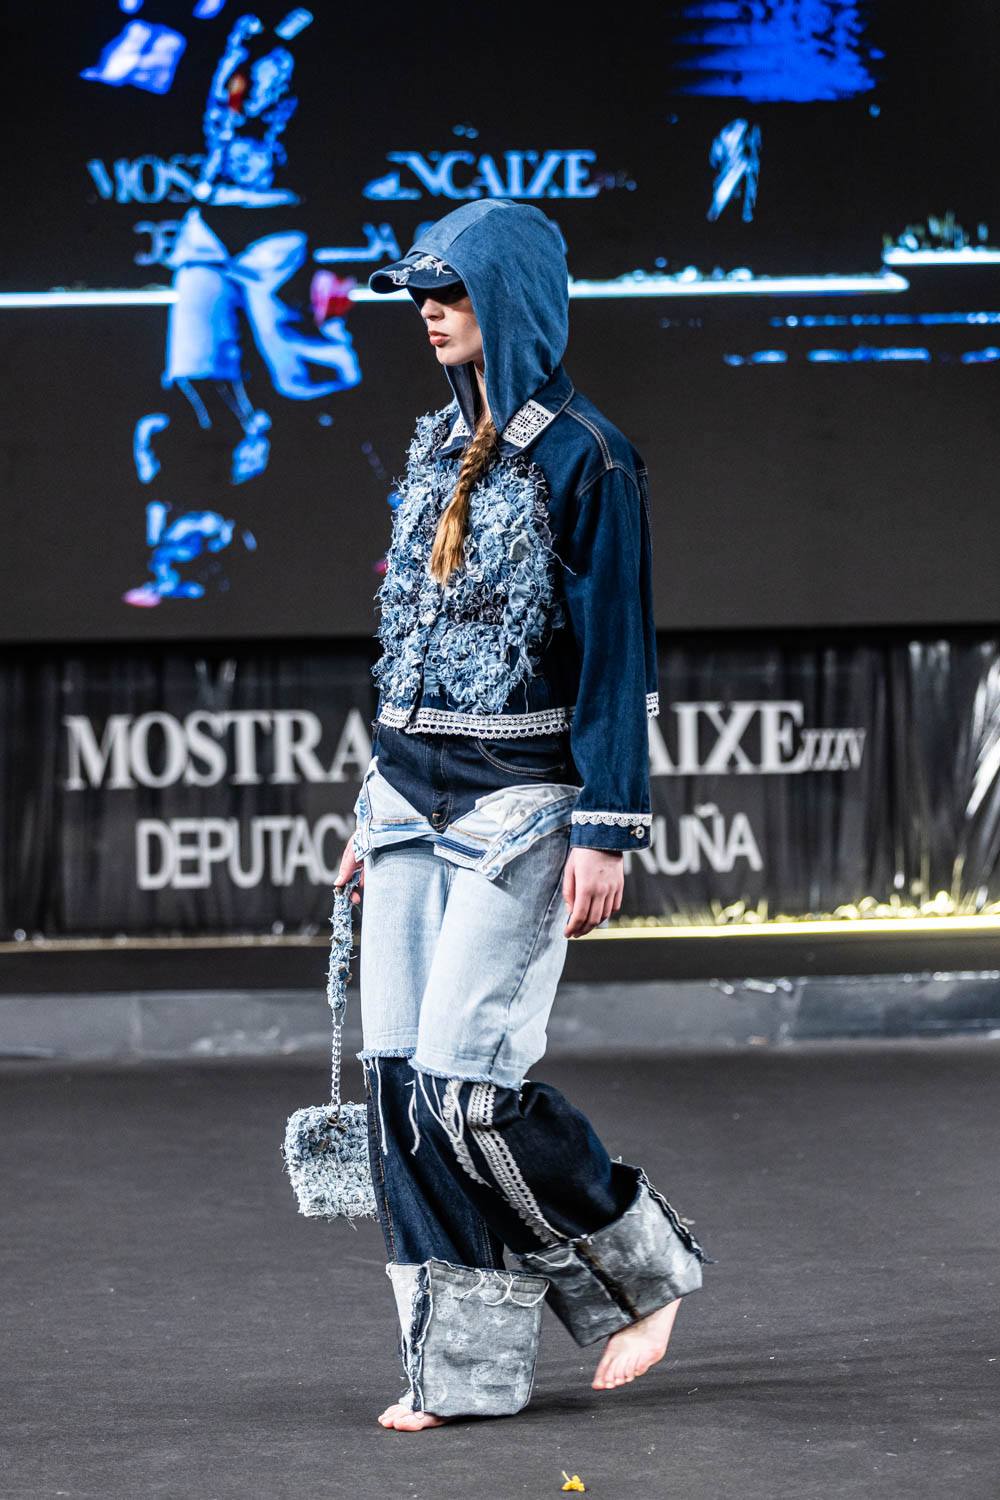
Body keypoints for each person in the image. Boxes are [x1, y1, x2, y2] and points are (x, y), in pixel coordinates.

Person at [335, 199, 712, 1430]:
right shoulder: (436, 446)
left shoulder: (589, 456)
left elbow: (615, 655)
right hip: (406, 796)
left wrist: (607, 828)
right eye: (418, 294)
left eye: (449, 291)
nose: (427, 312)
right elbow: (410, 642)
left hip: (519, 803)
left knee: (468, 1085)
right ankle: (458, 1375)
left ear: (511, 300)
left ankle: (642, 1270)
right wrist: (369, 808)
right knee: (400, 1093)